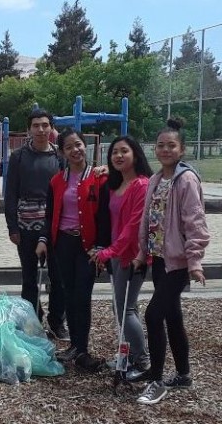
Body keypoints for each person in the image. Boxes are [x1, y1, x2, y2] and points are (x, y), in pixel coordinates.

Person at [133, 119, 209, 405]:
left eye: (171, 145)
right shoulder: (156, 179)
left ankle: (156, 380)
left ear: (182, 149)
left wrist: (195, 261)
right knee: (172, 317)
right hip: (159, 259)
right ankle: (183, 375)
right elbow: (148, 221)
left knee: (153, 315)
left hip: (178, 263)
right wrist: (142, 254)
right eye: (161, 145)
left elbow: (195, 222)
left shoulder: (186, 179)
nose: (166, 150)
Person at [36, 127, 107, 372]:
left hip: (87, 246)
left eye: (78, 144)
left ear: (84, 145)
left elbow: (106, 216)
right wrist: (44, 239)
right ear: (63, 152)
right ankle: (75, 346)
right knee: (67, 293)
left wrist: (101, 246)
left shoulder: (99, 178)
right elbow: (49, 215)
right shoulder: (57, 181)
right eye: (69, 147)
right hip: (63, 244)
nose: (75, 150)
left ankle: (82, 346)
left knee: (82, 295)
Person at [93, 135, 153, 381]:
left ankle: (143, 360)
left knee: (124, 309)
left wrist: (108, 252)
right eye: (114, 152)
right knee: (125, 307)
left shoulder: (141, 185)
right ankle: (128, 354)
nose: (118, 156)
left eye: (124, 151)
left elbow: (132, 226)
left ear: (135, 155)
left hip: (131, 256)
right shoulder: (116, 184)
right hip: (118, 254)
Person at [4, 108, 68, 340]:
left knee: (58, 277)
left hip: (55, 224)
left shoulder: (60, 158)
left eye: (45, 125)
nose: (41, 130)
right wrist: (12, 226)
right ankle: (32, 319)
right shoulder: (19, 157)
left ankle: (57, 321)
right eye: (36, 125)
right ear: (29, 129)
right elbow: (10, 193)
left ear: (51, 128)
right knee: (30, 277)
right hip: (26, 224)